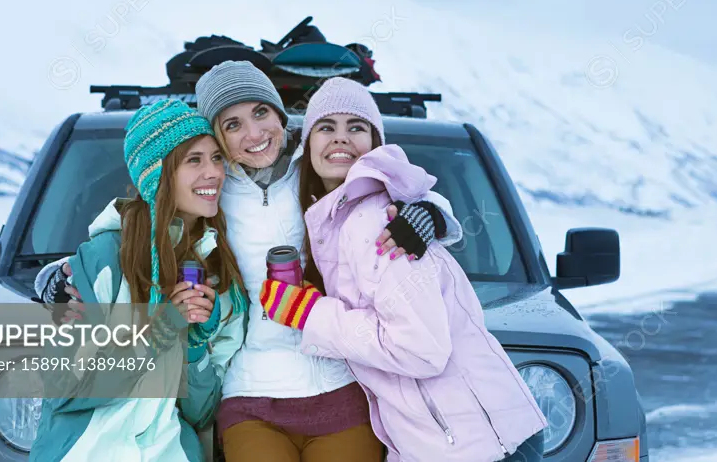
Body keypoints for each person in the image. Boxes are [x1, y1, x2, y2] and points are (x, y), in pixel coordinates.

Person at [39, 61, 461, 462]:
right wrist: (55, 274)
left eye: (262, 112)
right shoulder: (212, 192)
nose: (254, 133)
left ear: (281, 115)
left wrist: (430, 211)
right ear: (217, 136)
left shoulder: (317, 171)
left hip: (341, 373)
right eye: (232, 124)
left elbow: (387, 184)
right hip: (248, 387)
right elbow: (144, 215)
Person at [259, 77, 548, 462]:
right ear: (308, 144)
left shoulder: (379, 223)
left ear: (376, 146)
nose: (341, 138)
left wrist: (310, 314)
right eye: (326, 127)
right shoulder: (335, 220)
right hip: (446, 439)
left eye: (356, 127)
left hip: (477, 444)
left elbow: (420, 350)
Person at [30, 99, 249, 462]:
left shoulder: (218, 278)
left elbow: (202, 413)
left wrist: (195, 347)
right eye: (193, 160)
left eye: (216, 158)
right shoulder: (103, 260)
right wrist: (161, 331)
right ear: (156, 174)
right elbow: (64, 389)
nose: (213, 172)